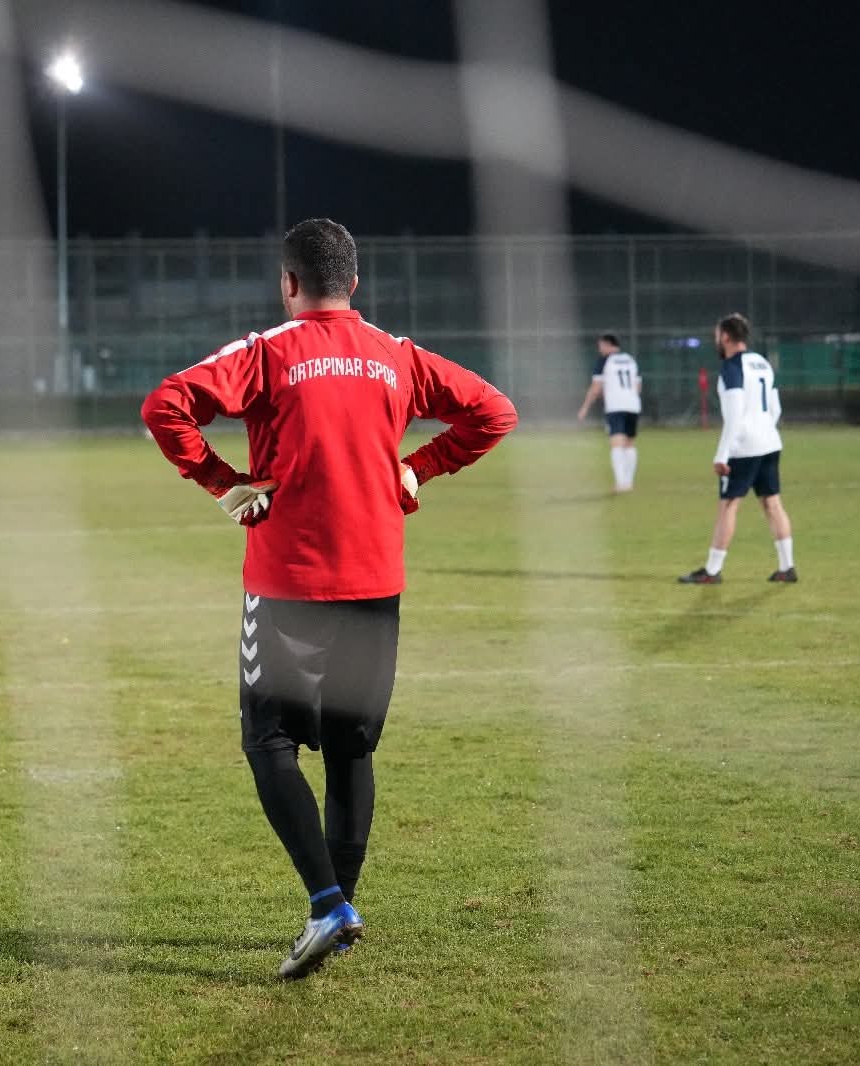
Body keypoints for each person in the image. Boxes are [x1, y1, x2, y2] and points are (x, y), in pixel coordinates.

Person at [141, 218, 518, 980]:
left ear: (288, 284)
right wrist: (421, 467)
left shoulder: (268, 352)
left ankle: (326, 906)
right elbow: (494, 411)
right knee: (351, 750)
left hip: (287, 582)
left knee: (267, 741)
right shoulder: (396, 354)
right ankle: (339, 905)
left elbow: (165, 405)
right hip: (375, 579)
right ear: (355, 281)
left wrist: (223, 483)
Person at [679, 313, 796, 584]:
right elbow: (775, 407)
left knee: (729, 506)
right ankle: (787, 567)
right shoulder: (762, 362)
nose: (715, 340)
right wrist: (764, 429)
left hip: (745, 448)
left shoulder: (732, 369)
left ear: (727, 337)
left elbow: (734, 416)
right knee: (772, 503)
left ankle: (712, 571)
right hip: (770, 442)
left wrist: (722, 455)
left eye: (717, 335)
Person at [576, 332, 642, 492]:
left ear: (607, 345)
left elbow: (596, 387)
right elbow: (638, 386)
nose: (600, 350)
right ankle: (628, 482)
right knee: (629, 444)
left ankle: (620, 483)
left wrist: (585, 407)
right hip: (633, 404)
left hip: (616, 406)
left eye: (600, 346)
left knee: (617, 443)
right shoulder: (630, 359)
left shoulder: (604, 361)